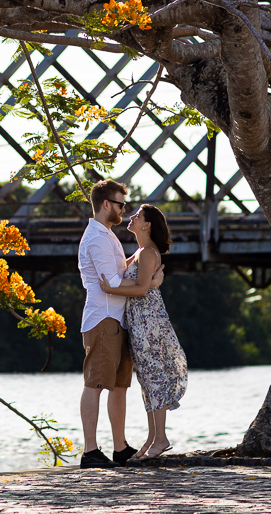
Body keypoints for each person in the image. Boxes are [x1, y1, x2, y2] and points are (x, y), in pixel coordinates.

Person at [78, 180, 164, 469]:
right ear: (106, 205)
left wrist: (139, 261)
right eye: (120, 204)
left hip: (118, 319)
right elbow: (111, 283)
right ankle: (90, 451)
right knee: (95, 383)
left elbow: (117, 270)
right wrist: (149, 282)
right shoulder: (98, 238)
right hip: (103, 319)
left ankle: (120, 448)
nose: (123, 209)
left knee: (118, 387)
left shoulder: (107, 235)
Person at [99, 203, 188, 458]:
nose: (131, 217)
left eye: (137, 216)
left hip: (149, 322)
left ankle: (160, 439)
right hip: (139, 321)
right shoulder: (140, 251)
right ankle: (152, 439)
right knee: (147, 380)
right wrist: (149, 282)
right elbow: (123, 274)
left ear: (147, 225)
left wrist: (111, 290)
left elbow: (138, 288)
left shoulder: (148, 253)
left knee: (155, 378)